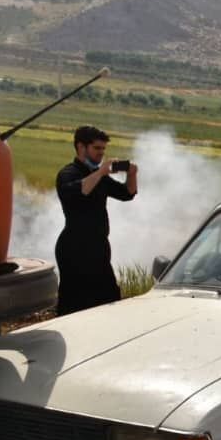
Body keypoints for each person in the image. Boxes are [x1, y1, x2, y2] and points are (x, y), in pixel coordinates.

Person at [54, 126, 138, 316]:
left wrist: (132, 174)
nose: (101, 153)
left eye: (103, 149)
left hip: (98, 247)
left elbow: (127, 194)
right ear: (81, 147)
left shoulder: (100, 176)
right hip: (74, 248)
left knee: (108, 299)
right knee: (74, 302)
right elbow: (79, 190)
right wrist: (101, 172)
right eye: (97, 148)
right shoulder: (68, 173)